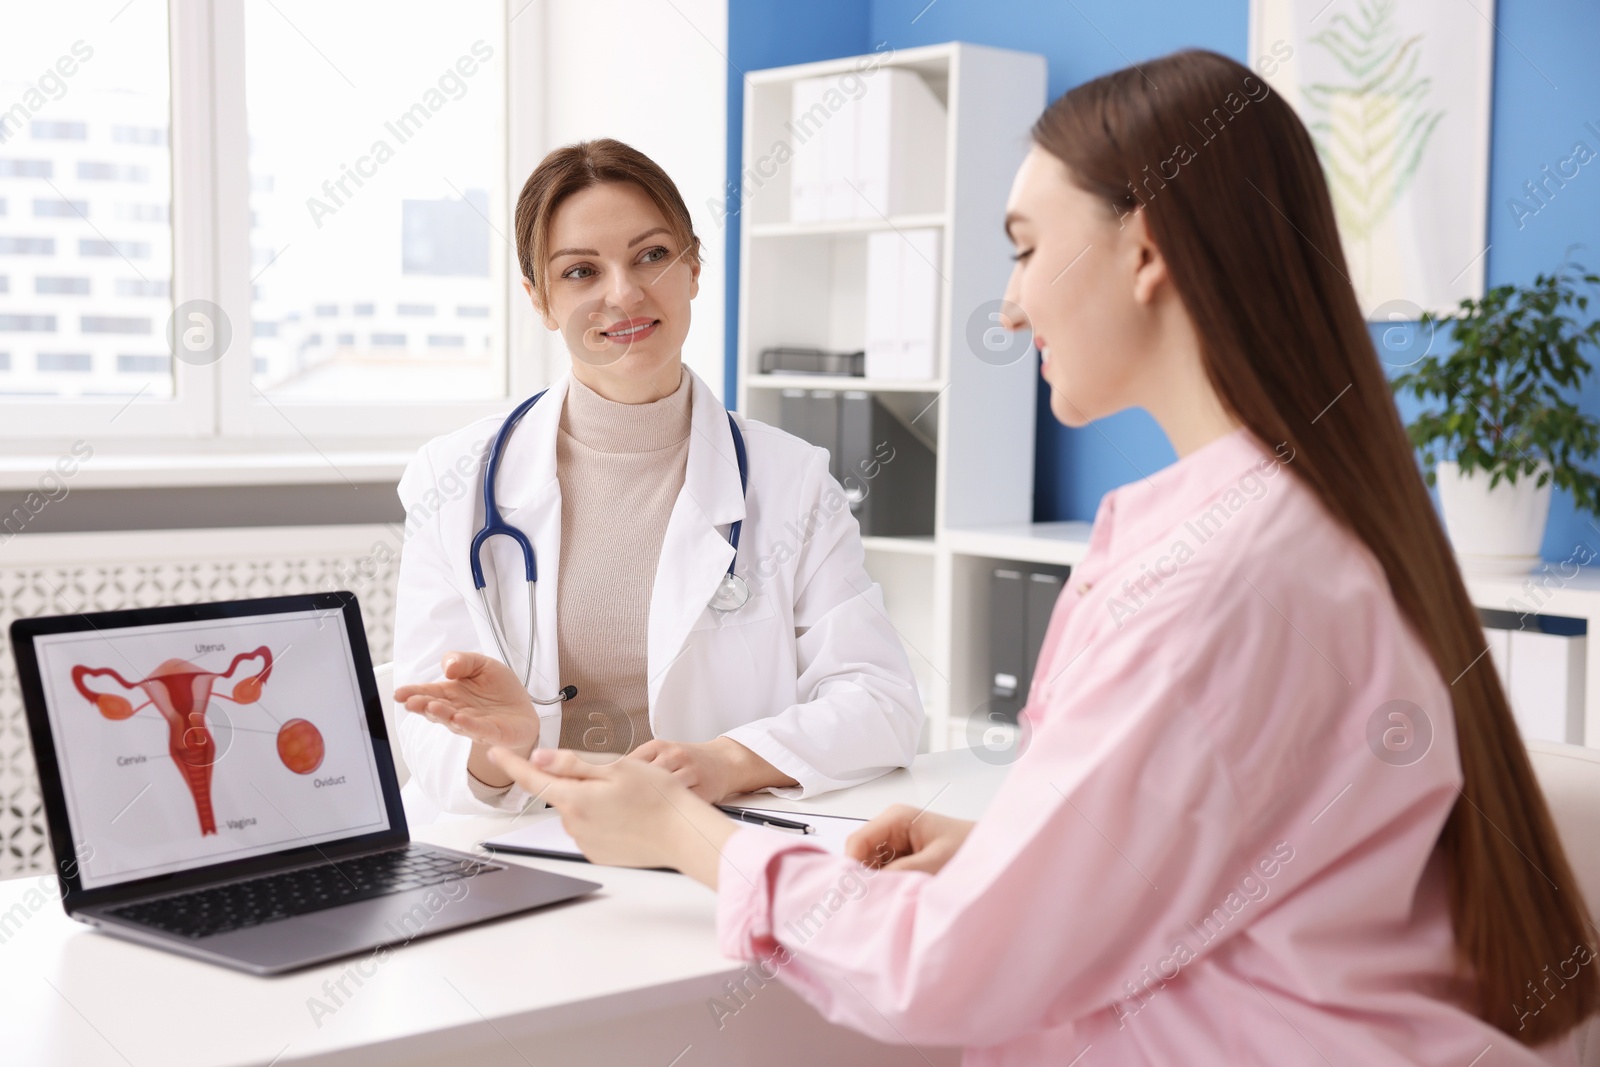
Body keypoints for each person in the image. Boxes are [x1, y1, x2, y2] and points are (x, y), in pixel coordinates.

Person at [484, 51, 1599, 1065]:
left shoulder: (1218, 574)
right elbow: (1266, 847)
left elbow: (947, 970)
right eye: (577, 273)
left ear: (1146, 246)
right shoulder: (1290, 519)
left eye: (1023, 249)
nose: (1009, 306)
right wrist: (1017, 845)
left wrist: (689, 834)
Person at [391, 138, 922, 815]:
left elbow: (880, 701)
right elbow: (423, 722)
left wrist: (724, 762)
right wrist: (502, 748)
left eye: (650, 256)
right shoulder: (455, 480)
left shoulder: (792, 481)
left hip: (707, 842)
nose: (624, 293)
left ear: (693, 268)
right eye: (581, 271)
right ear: (541, 300)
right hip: (528, 846)